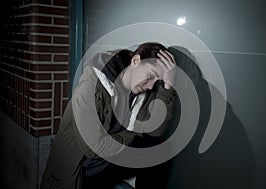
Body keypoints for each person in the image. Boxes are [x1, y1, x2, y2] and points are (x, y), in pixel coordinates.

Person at [40, 42, 177, 189]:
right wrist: (133, 135)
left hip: (110, 156)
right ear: (136, 61)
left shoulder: (142, 91)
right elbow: (92, 148)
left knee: (160, 149)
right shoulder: (91, 87)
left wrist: (168, 86)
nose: (150, 86)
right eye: (150, 76)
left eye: (157, 81)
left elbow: (154, 132)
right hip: (83, 165)